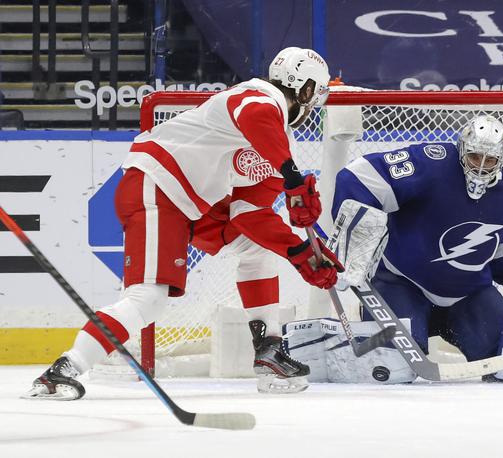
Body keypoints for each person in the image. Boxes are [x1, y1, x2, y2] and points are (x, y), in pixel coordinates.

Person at [25, 46, 342, 399]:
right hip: (157, 186)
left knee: (256, 249)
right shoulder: (257, 96)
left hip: (191, 203)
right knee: (149, 298)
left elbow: (251, 215)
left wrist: (300, 252)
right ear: (306, 88)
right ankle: (62, 370)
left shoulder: (281, 141)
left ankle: (268, 351)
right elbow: (256, 116)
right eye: (318, 91)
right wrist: (292, 176)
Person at [329, 114, 503, 382]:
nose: (480, 167)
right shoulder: (432, 163)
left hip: (468, 297)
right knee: (393, 365)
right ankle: (341, 340)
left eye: (489, 160)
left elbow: (502, 258)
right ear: (461, 149)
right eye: (474, 157)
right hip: (400, 284)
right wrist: (356, 234)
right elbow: (357, 177)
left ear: (501, 159)